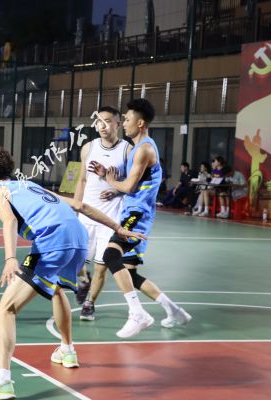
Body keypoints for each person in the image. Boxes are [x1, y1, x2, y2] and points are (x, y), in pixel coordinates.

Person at [0, 147, 145, 400]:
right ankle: (67, 349)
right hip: (78, 241)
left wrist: (10, 258)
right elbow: (80, 205)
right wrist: (118, 228)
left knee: (4, 310)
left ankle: (1, 381)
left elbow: (9, 221)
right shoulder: (30, 185)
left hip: (53, 241)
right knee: (56, 288)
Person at [88, 99, 191, 339]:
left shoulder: (144, 149)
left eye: (127, 119)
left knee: (110, 256)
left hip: (137, 215)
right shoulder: (137, 148)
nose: (124, 123)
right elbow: (132, 186)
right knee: (130, 275)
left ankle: (137, 314)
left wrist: (110, 181)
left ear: (140, 123)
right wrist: (114, 187)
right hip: (133, 211)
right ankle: (174, 311)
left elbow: (129, 186)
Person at [73, 106, 130, 321]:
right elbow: (82, 180)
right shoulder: (88, 148)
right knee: (76, 260)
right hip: (86, 215)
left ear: (117, 124)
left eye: (107, 121)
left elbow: (134, 184)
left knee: (101, 266)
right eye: (99, 121)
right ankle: (83, 281)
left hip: (111, 217)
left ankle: (89, 304)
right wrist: (75, 206)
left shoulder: (127, 150)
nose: (102, 125)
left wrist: (116, 190)